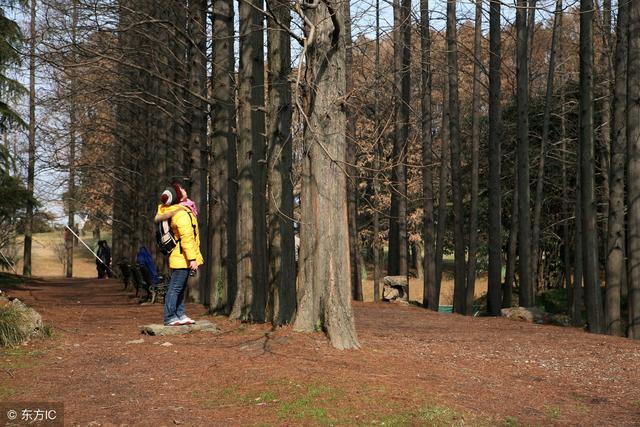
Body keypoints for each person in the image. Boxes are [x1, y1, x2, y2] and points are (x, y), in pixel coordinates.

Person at [155, 181, 204, 326]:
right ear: (178, 196)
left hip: (183, 256)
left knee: (181, 287)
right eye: (180, 189)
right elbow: (187, 238)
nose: (184, 189)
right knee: (175, 287)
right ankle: (170, 316)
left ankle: (180, 314)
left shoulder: (183, 209)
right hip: (182, 256)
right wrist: (193, 259)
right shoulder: (181, 213)